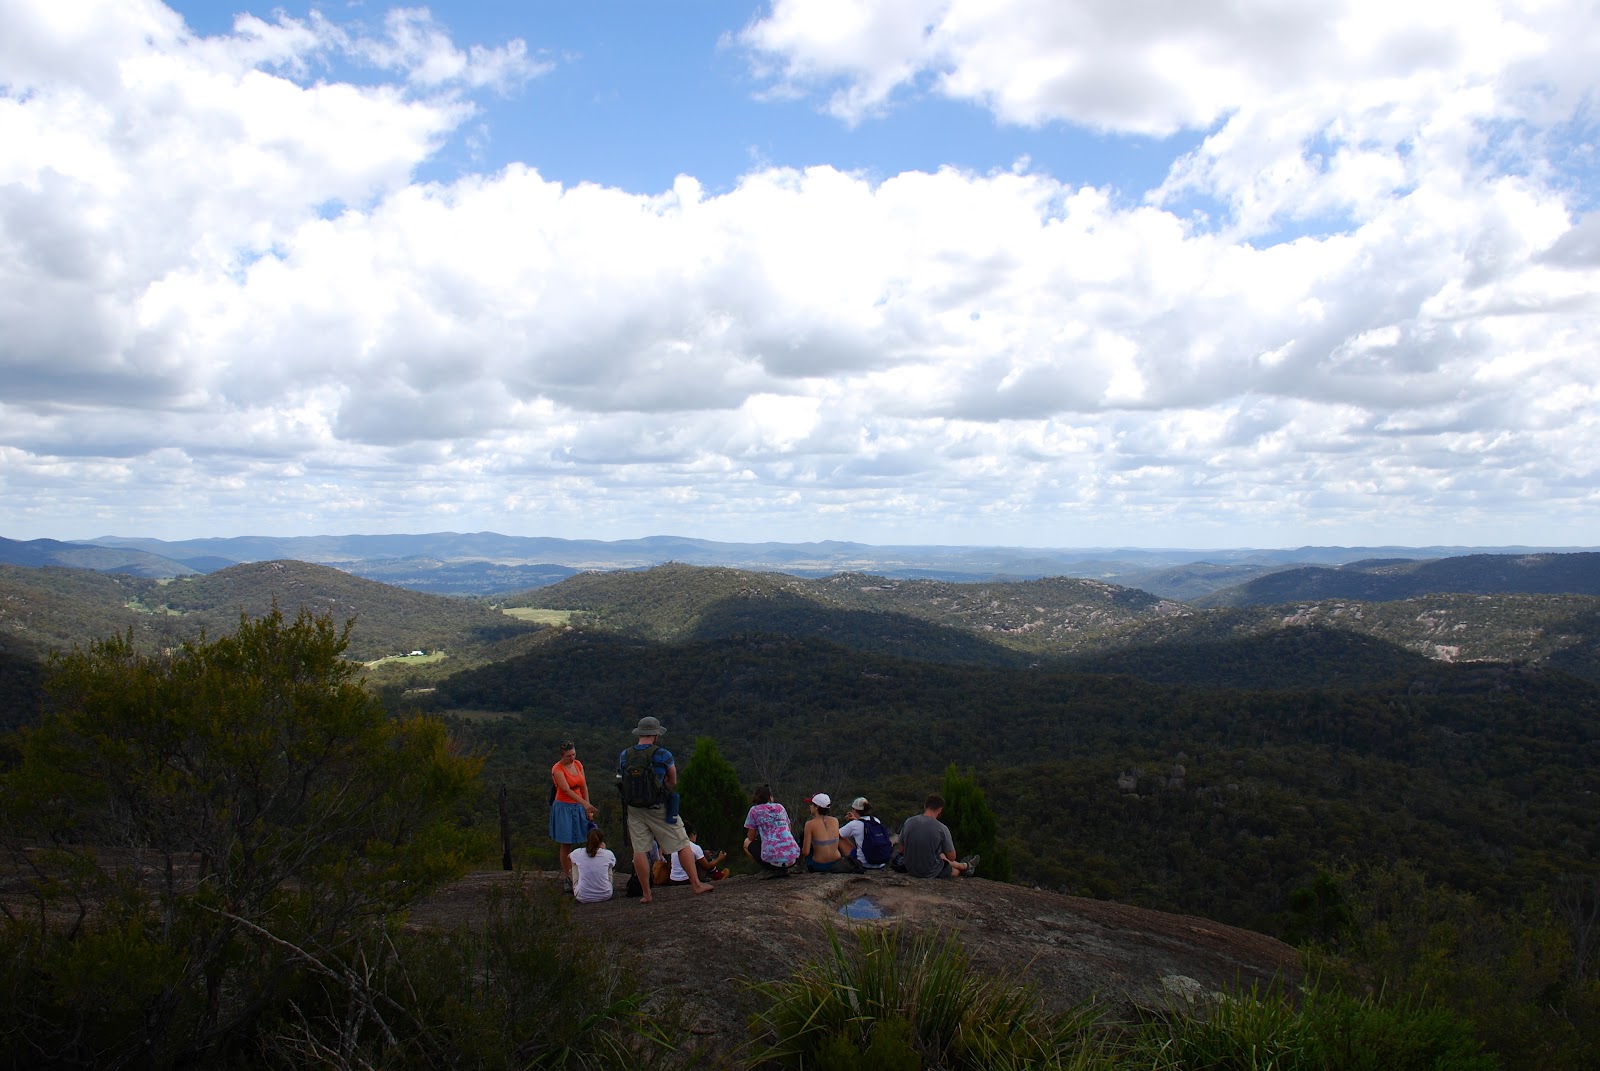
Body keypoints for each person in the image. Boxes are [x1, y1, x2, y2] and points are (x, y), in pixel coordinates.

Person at [617, 716, 714, 903]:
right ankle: (696, 884)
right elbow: (672, 781)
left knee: (640, 850)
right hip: (658, 807)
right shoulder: (663, 754)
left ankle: (647, 894)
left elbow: (622, 780)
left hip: (634, 808)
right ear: (655, 735)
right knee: (682, 843)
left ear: (639, 734)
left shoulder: (625, 755)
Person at [550, 740, 599, 892]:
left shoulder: (578, 764)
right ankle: (568, 877)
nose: (572, 758)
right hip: (564, 807)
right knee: (566, 843)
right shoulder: (557, 769)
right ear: (562, 755)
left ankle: (588, 874)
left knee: (589, 838)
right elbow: (566, 790)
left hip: (579, 806)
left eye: (573, 754)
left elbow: (584, 786)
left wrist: (587, 807)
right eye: (568, 756)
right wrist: (585, 804)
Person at [899, 793, 979, 879]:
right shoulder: (942, 828)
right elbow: (952, 857)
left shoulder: (908, 821)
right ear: (940, 809)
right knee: (954, 871)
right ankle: (965, 868)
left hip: (909, 867)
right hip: (929, 871)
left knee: (939, 855)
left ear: (925, 806)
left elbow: (901, 850)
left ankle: (965, 866)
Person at [743, 784, 801, 877]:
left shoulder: (754, 810)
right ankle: (784, 869)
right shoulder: (780, 807)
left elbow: (751, 837)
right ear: (770, 797)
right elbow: (789, 829)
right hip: (793, 859)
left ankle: (768, 869)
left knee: (746, 842)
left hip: (772, 862)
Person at [801, 792, 856, 873]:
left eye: (812, 804)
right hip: (836, 862)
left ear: (816, 807)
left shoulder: (809, 824)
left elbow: (806, 852)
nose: (810, 806)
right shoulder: (835, 821)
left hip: (818, 865)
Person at [838, 796, 888, 871]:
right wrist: (855, 819)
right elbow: (863, 823)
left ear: (855, 810)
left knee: (840, 838)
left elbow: (836, 834)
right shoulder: (876, 820)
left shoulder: (854, 824)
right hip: (880, 862)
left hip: (863, 864)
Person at [570, 827, 617, 903]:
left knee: (574, 861)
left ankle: (577, 884)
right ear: (601, 841)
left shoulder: (578, 852)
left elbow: (569, 856)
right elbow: (613, 864)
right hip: (605, 894)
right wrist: (604, 850)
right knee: (609, 864)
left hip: (581, 896)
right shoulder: (608, 854)